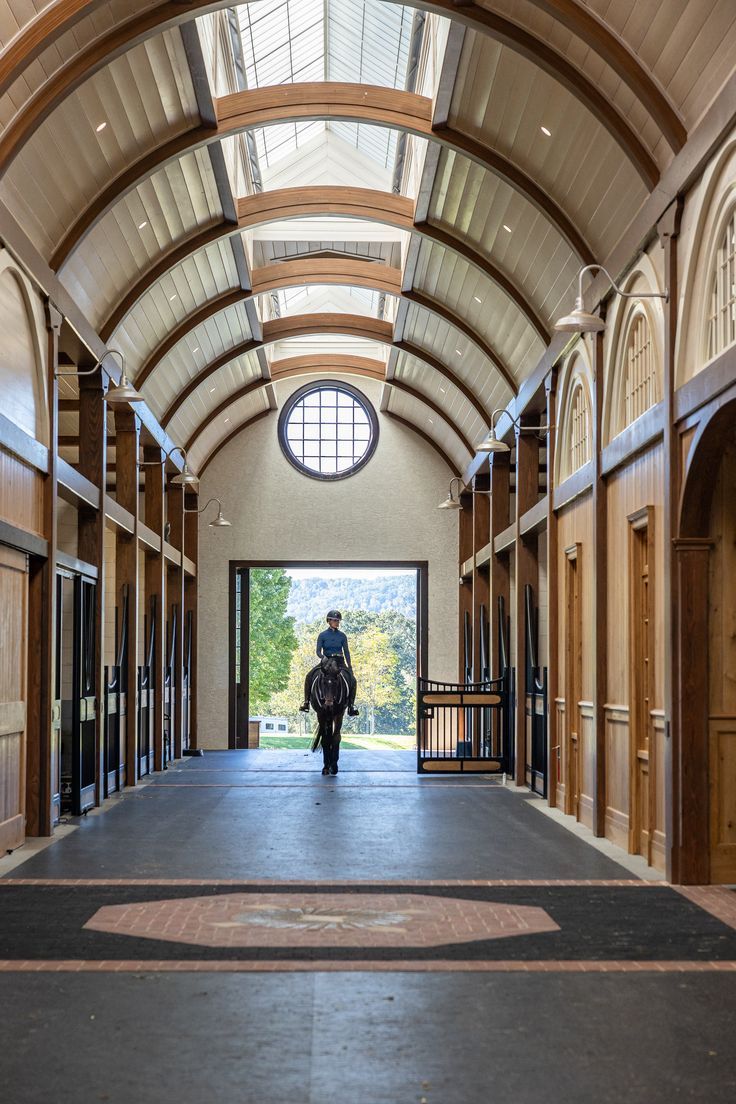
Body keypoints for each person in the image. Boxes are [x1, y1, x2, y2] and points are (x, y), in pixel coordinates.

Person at [300, 610, 359, 715]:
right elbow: (318, 651)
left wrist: (349, 666)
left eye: (338, 621)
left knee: (353, 680)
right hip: (326, 661)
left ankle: (351, 706)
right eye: (335, 620)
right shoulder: (322, 635)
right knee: (309, 676)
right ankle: (306, 702)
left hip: (340, 661)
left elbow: (346, 651)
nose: (337, 623)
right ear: (329, 621)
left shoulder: (342, 636)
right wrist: (323, 657)